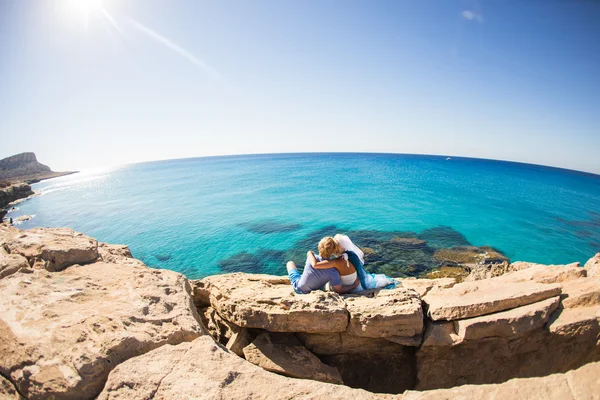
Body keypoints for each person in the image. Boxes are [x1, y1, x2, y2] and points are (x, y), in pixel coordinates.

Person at [286, 245, 359, 294]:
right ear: (332, 251)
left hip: (298, 287)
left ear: (319, 247)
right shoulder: (333, 271)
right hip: (313, 290)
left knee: (290, 263)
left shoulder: (311, 258)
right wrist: (354, 286)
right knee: (327, 280)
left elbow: (312, 259)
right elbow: (339, 290)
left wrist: (309, 253)